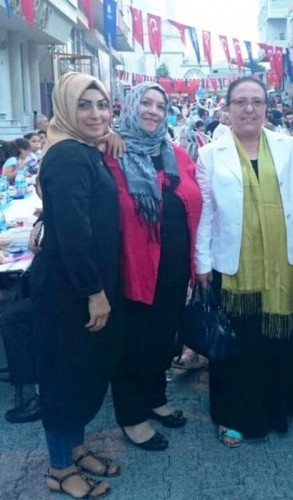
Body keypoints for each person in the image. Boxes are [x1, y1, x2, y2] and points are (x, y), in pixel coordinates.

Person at [196, 76, 293, 447]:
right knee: (237, 345)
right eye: (240, 101)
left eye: (257, 101)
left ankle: (274, 411)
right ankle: (233, 415)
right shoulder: (211, 154)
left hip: (282, 263)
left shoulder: (288, 146)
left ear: (266, 107)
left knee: (276, 340)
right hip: (233, 265)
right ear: (227, 109)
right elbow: (206, 214)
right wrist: (201, 262)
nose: (249, 109)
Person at [30, 72, 123, 499]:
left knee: (83, 371)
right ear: (66, 109)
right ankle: (58, 467)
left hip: (82, 283)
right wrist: (93, 291)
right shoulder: (68, 156)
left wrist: (109, 138)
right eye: (84, 105)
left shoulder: (83, 149)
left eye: (102, 105)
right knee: (65, 376)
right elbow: (72, 232)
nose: (96, 114)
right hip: (69, 290)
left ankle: (76, 449)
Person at [105, 82, 202, 452]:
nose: (153, 111)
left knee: (163, 339)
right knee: (133, 344)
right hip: (134, 270)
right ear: (131, 106)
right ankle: (132, 415)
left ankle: (156, 398)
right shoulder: (111, 153)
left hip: (174, 271)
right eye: (145, 103)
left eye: (160, 106)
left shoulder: (175, 154)